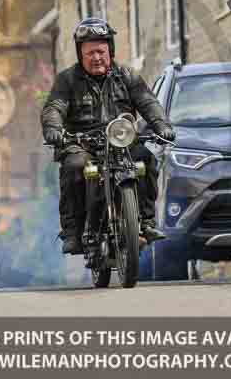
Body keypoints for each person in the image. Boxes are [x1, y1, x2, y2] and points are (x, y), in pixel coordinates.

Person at [41, 17, 176, 255]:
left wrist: (161, 125)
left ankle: (145, 222)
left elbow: (148, 102)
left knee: (145, 158)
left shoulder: (127, 76)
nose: (96, 57)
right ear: (80, 54)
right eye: (90, 52)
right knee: (74, 167)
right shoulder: (67, 80)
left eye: (101, 51)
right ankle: (73, 231)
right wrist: (53, 128)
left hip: (121, 141)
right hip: (81, 143)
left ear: (110, 50)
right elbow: (55, 107)